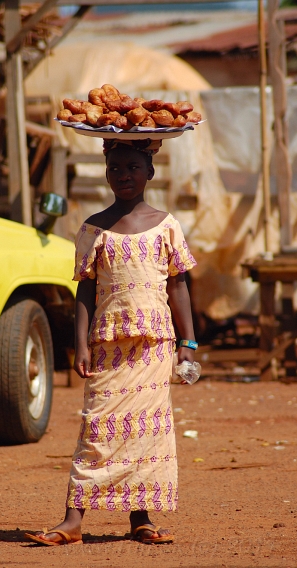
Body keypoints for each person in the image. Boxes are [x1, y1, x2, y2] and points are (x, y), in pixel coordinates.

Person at [26, 137, 197, 546]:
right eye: (115, 168)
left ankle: (141, 518)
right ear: (106, 173)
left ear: (149, 173)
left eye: (132, 168)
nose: (123, 175)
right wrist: (80, 344)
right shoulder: (93, 228)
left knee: (146, 432)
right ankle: (72, 521)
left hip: (154, 345)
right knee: (97, 428)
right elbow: (85, 290)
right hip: (108, 345)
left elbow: (179, 287)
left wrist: (188, 343)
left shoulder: (167, 225)